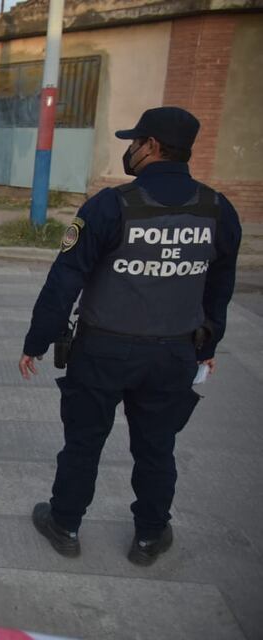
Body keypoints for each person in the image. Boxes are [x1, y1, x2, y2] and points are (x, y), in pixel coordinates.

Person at [19, 106, 241, 566]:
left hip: (103, 351)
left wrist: (37, 342)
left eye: (134, 141)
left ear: (153, 147)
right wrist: (209, 346)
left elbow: (65, 280)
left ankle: (65, 525)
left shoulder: (110, 206)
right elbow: (220, 288)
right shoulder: (218, 210)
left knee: (84, 441)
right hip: (174, 354)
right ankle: (149, 537)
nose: (130, 149)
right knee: (157, 446)